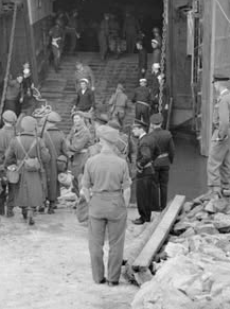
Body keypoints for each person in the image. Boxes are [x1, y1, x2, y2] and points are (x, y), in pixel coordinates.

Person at [81, 125, 131, 286]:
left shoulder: (91, 161)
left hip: (97, 203)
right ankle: (113, 279)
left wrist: (90, 202)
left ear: (102, 141)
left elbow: (85, 188)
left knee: (95, 244)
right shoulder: (121, 163)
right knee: (116, 244)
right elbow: (127, 190)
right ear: (114, 142)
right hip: (116, 203)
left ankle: (98, 277)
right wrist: (124, 207)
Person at [4, 116, 50, 226]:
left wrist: (11, 164)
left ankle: (24, 209)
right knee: (34, 190)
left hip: (20, 169)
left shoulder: (15, 140)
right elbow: (46, 158)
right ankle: (31, 209)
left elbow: (8, 157)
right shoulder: (39, 140)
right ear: (34, 127)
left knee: (21, 191)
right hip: (34, 169)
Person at [206, 75, 230, 197]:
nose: (214, 86)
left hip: (222, 131)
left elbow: (224, 121)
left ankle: (215, 189)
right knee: (226, 160)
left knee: (213, 161)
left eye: (214, 84)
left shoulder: (223, 100)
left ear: (217, 84)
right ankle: (226, 186)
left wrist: (221, 135)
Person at [130, 119, 160, 225]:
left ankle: (143, 217)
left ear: (141, 129)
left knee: (142, 196)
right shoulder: (150, 138)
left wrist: (140, 165)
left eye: (135, 129)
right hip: (149, 170)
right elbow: (157, 151)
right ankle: (147, 216)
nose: (133, 131)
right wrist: (151, 161)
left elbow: (146, 156)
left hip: (144, 172)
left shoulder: (143, 141)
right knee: (147, 195)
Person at [39, 111, 69, 214]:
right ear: (56, 123)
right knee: (54, 183)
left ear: (47, 122)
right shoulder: (61, 135)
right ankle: (52, 205)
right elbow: (65, 151)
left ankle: (42, 203)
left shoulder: (41, 134)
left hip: (43, 162)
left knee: (42, 182)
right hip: (55, 164)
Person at [0, 110, 17, 217]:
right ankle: (10, 209)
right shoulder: (16, 135)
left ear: (3, 120)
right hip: (13, 164)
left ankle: (1, 208)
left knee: (1, 186)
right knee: (13, 187)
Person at [148, 113, 174, 211]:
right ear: (161, 123)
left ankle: (155, 207)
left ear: (152, 124)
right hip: (165, 163)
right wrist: (170, 160)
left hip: (154, 163)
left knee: (154, 185)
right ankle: (163, 206)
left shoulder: (150, 136)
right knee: (164, 185)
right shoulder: (168, 134)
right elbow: (172, 150)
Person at [67, 112, 91, 195]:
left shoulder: (85, 131)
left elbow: (77, 146)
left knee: (81, 178)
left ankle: (83, 198)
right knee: (75, 178)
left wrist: (67, 146)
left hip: (82, 157)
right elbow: (67, 138)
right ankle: (78, 197)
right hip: (75, 157)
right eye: (74, 119)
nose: (75, 121)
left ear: (82, 119)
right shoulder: (74, 129)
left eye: (77, 118)